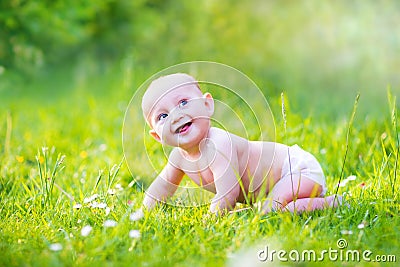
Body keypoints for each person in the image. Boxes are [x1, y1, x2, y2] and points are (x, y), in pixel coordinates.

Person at [139, 73, 342, 215]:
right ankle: (303, 203)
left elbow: (229, 192)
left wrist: (212, 219)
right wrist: (143, 212)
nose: (176, 115)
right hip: (278, 184)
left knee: (270, 210)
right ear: (157, 136)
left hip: (296, 170)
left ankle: (331, 203)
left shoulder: (218, 144)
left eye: (183, 103)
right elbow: (162, 187)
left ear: (207, 105)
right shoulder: (178, 158)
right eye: (163, 116)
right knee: (273, 209)